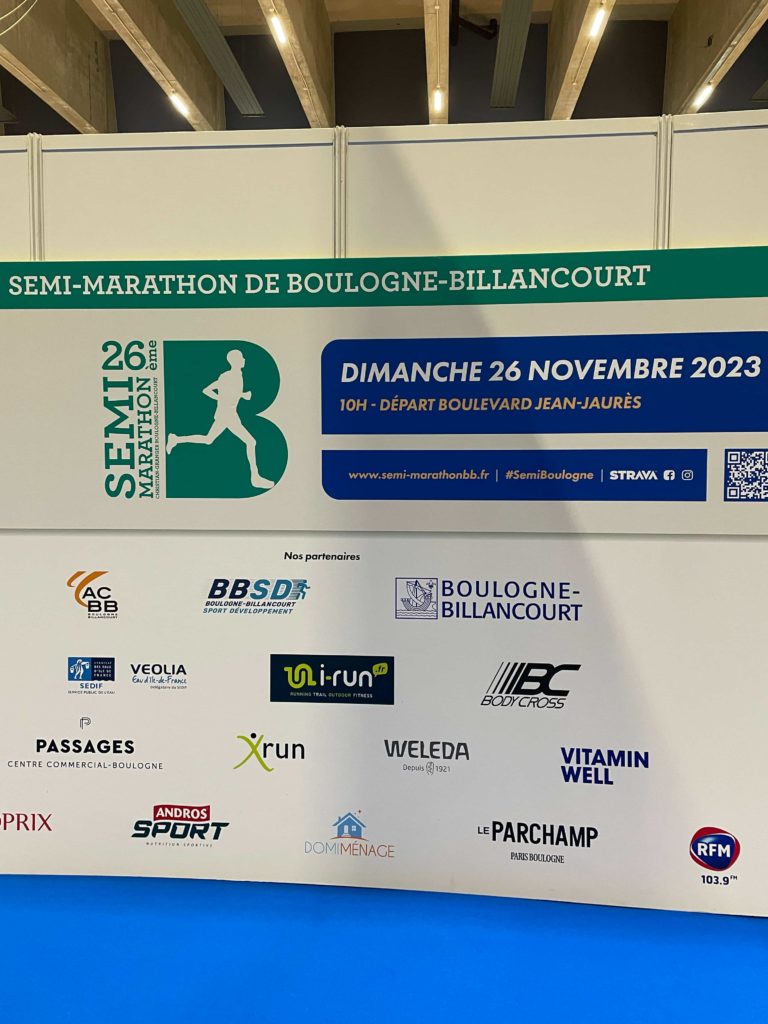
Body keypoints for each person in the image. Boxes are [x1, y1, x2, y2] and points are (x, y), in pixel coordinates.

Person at [166, 349, 274, 490]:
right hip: (227, 414)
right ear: (235, 361)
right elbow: (210, 390)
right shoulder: (228, 376)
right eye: (241, 357)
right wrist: (238, 396)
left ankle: (176, 439)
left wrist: (240, 395)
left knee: (208, 439)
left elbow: (219, 391)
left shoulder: (236, 375)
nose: (244, 359)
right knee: (251, 442)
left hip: (228, 413)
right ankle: (255, 477)